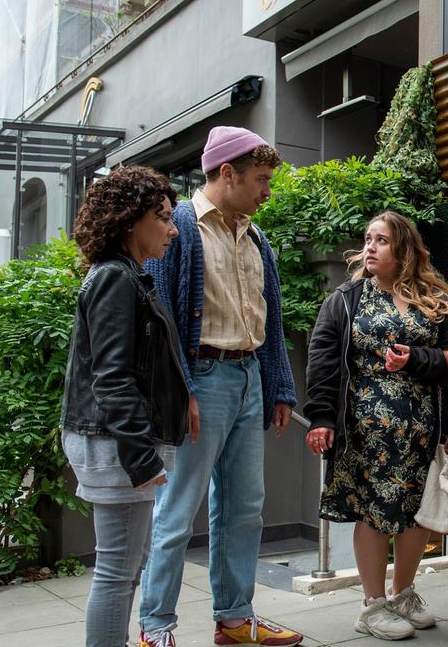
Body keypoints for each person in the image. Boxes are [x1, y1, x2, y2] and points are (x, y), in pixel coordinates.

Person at [138, 127, 302, 647]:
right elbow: (162, 320)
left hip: (249, 376)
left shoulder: (255, 236)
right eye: (260, 180)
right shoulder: (180, 229)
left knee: (246, 507)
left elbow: (270, 320)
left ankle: (235, 619)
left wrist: (278, 386)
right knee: (179, 507)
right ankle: (155, 627)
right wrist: (179, 391)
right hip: (202, 380)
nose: (267, 191)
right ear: (226, 173)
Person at [303, 211, 448, 641]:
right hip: (366, 431)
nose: (370, 247)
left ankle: (403, 594)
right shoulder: (346, 298)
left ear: (404, 249)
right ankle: (372, 605)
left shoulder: (435, 297)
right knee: (375, 513)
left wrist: (415, 359)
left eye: (381, 240)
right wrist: (321, 417)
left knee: (418, 513)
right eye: (368, 239)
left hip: (423, 429)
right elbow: (322, 360)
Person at [60, 166, 190, 647]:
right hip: (116, 444)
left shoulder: (125, 276)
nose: (172, 229)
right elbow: (112, 378)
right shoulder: (116, 278)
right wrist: (141, 459)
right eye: (162, 218)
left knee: (124, 568)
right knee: (117, 571)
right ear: (130, 220)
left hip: (120, 440)